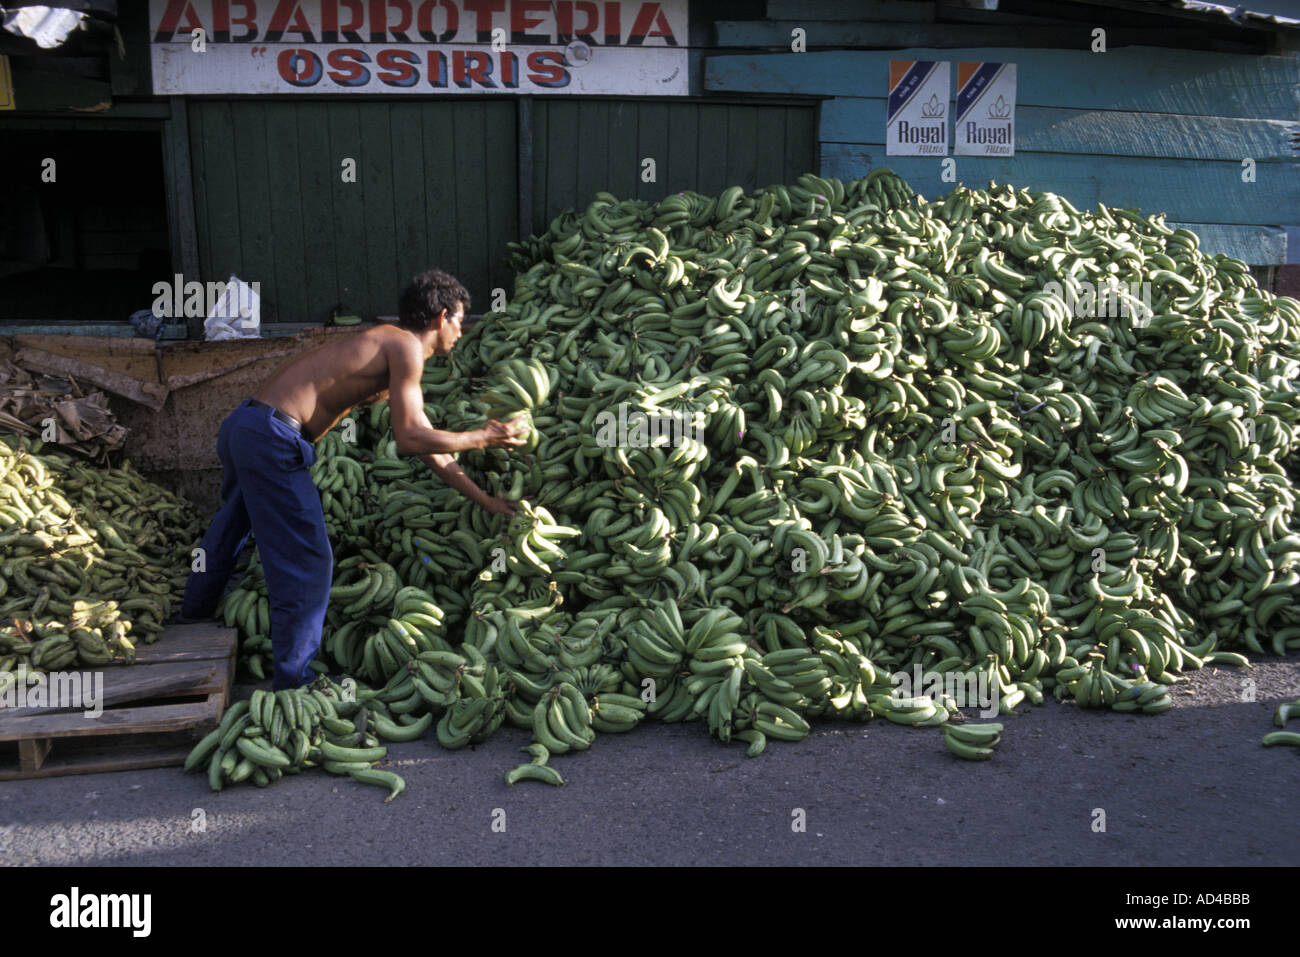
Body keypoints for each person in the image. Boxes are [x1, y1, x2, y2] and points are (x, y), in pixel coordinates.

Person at [180, 269, 525, 690]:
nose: (461, 329)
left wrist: (485, 500)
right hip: (273, 437)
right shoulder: (405, 348)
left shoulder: (390, 345)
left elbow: (429, 445)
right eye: (459, 319)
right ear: (441, 316)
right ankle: (294, 681)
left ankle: (193, 612)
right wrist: (484, 437)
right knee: (309, 558)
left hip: (246, 426)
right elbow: (410, 437)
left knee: (233, 524)